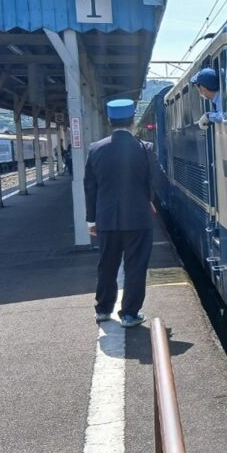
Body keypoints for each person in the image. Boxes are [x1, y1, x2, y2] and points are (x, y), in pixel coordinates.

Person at [84, 99, 160, 327]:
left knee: (107, 264)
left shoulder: (95, 149)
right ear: (132, 121)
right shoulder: (144, 149)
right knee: (135, 266)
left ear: (109, 121)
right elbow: (156, 181)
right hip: (138, 219)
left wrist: (91, 220)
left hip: (106, 219)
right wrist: (149, 199)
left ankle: (103, 309)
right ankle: (129, 314)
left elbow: (90, 187)